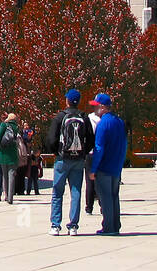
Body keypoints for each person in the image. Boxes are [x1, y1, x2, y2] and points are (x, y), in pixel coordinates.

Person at [46, 89, 94, 236]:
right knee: (76, 192)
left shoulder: (60, 117)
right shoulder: (84, 117)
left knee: (57, 193)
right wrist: (83, 152)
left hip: (62, 158)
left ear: (67, 100)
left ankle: (55, 225)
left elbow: (51, 139)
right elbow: (91, 139)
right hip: (78, 159)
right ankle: (73, 225)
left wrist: (57, 152)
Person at [88, 92, 127, 236]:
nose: (94, 110)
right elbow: (124, 144)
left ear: (103, 107)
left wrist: (93, 169)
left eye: (96, 106)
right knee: (114, 196)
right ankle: (115, 225)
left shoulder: (103, 124)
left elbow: (99, 148)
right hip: (116, 166)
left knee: (105, 198)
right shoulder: (119, 121)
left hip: (104, 167)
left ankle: (108, 226)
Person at [0, 113, 21, 204]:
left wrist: (0, 148)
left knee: (4, 176)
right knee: (12, 176)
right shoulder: (16, 127)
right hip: (13, 154)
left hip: (3, 154)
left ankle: (6, 195)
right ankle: (11, 197)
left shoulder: (4, 125)